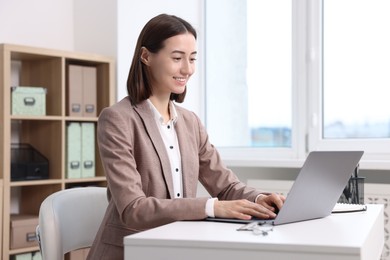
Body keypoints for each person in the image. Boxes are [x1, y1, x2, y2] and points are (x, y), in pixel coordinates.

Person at [87, 13, 285, 259]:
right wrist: (212, 207)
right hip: (131, 251)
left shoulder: (190, 122)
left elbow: (226, 185)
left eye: (192, 59)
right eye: (177, 58)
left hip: (178, 247)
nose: (187, 69)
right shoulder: (118, 119)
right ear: (146, 56)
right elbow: (133, 208)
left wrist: (260, 198)